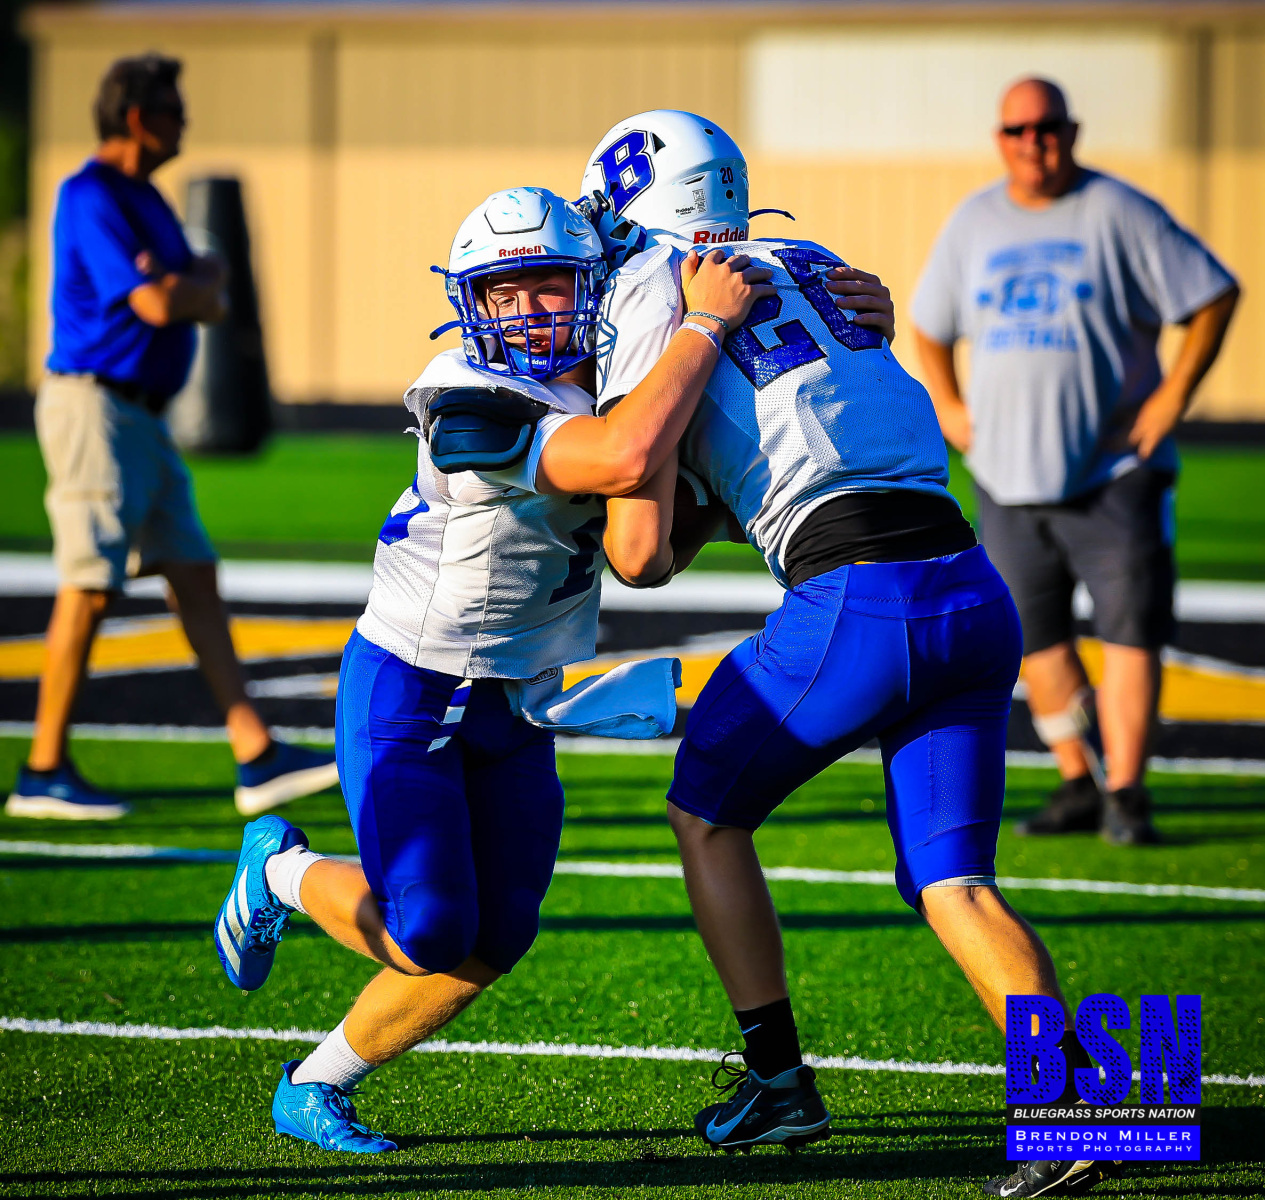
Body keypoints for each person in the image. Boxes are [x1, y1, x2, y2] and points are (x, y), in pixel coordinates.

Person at [584, 109, 1114, 1197]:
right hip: (971, 590)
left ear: (630, 202)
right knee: (954, 883)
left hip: (859, 601)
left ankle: (777, 1080)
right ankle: (1071, 1113)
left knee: (703, 814)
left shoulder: (648, 288)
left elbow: (637, 554)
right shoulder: (811, 258)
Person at [211, 186, 774, 1153]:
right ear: (468, 304)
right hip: (413, 686)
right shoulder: (463, 392)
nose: (524, 312)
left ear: (589, 287)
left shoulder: (611, 377)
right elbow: (625, 454)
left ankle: (314, 1083)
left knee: (498, 934)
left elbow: (650, 539)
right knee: (427, 929)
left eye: (546, 286)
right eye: (500, 294)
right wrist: (705, 324)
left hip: (520, 698)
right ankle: (280, 872)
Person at [5, 54, 338, 821]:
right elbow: (158, 302)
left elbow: (202, 288)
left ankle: (255, 752)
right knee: (91, 584)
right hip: (94, 406)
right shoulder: (91, 194)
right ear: (136, 117)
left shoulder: (144, 198)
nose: (184, 123)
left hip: (142, 417)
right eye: (174, 110)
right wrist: (191, 285)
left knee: (192, 572)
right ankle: (42, 768)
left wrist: (191, 283)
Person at [911, 78, 1239, 845]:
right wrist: (950, 406)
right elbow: (928, 324)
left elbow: (1213, 295)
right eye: (1018, 130)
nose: (1034, 141)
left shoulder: (1117, 211)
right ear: (1000, 140)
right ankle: (1077, 781)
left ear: (1070, 130)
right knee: (1034, 639)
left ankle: (1126, 791)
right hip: (1004, 474)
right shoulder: (974, 221)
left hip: (1111, 473)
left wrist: (1171, 398)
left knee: (1129, 634)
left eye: (1047, 126)